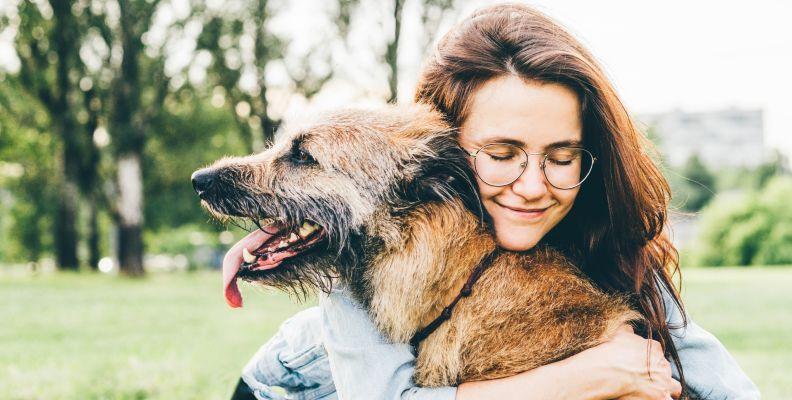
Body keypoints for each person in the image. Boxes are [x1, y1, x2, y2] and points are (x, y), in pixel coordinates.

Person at [232, 4, 760, 400]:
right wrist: (582, 377)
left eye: (561, 155)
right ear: (444, 151)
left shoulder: (598, 226)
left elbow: (706, 368)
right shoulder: (379, 224)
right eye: (502, 153)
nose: (532, 186)